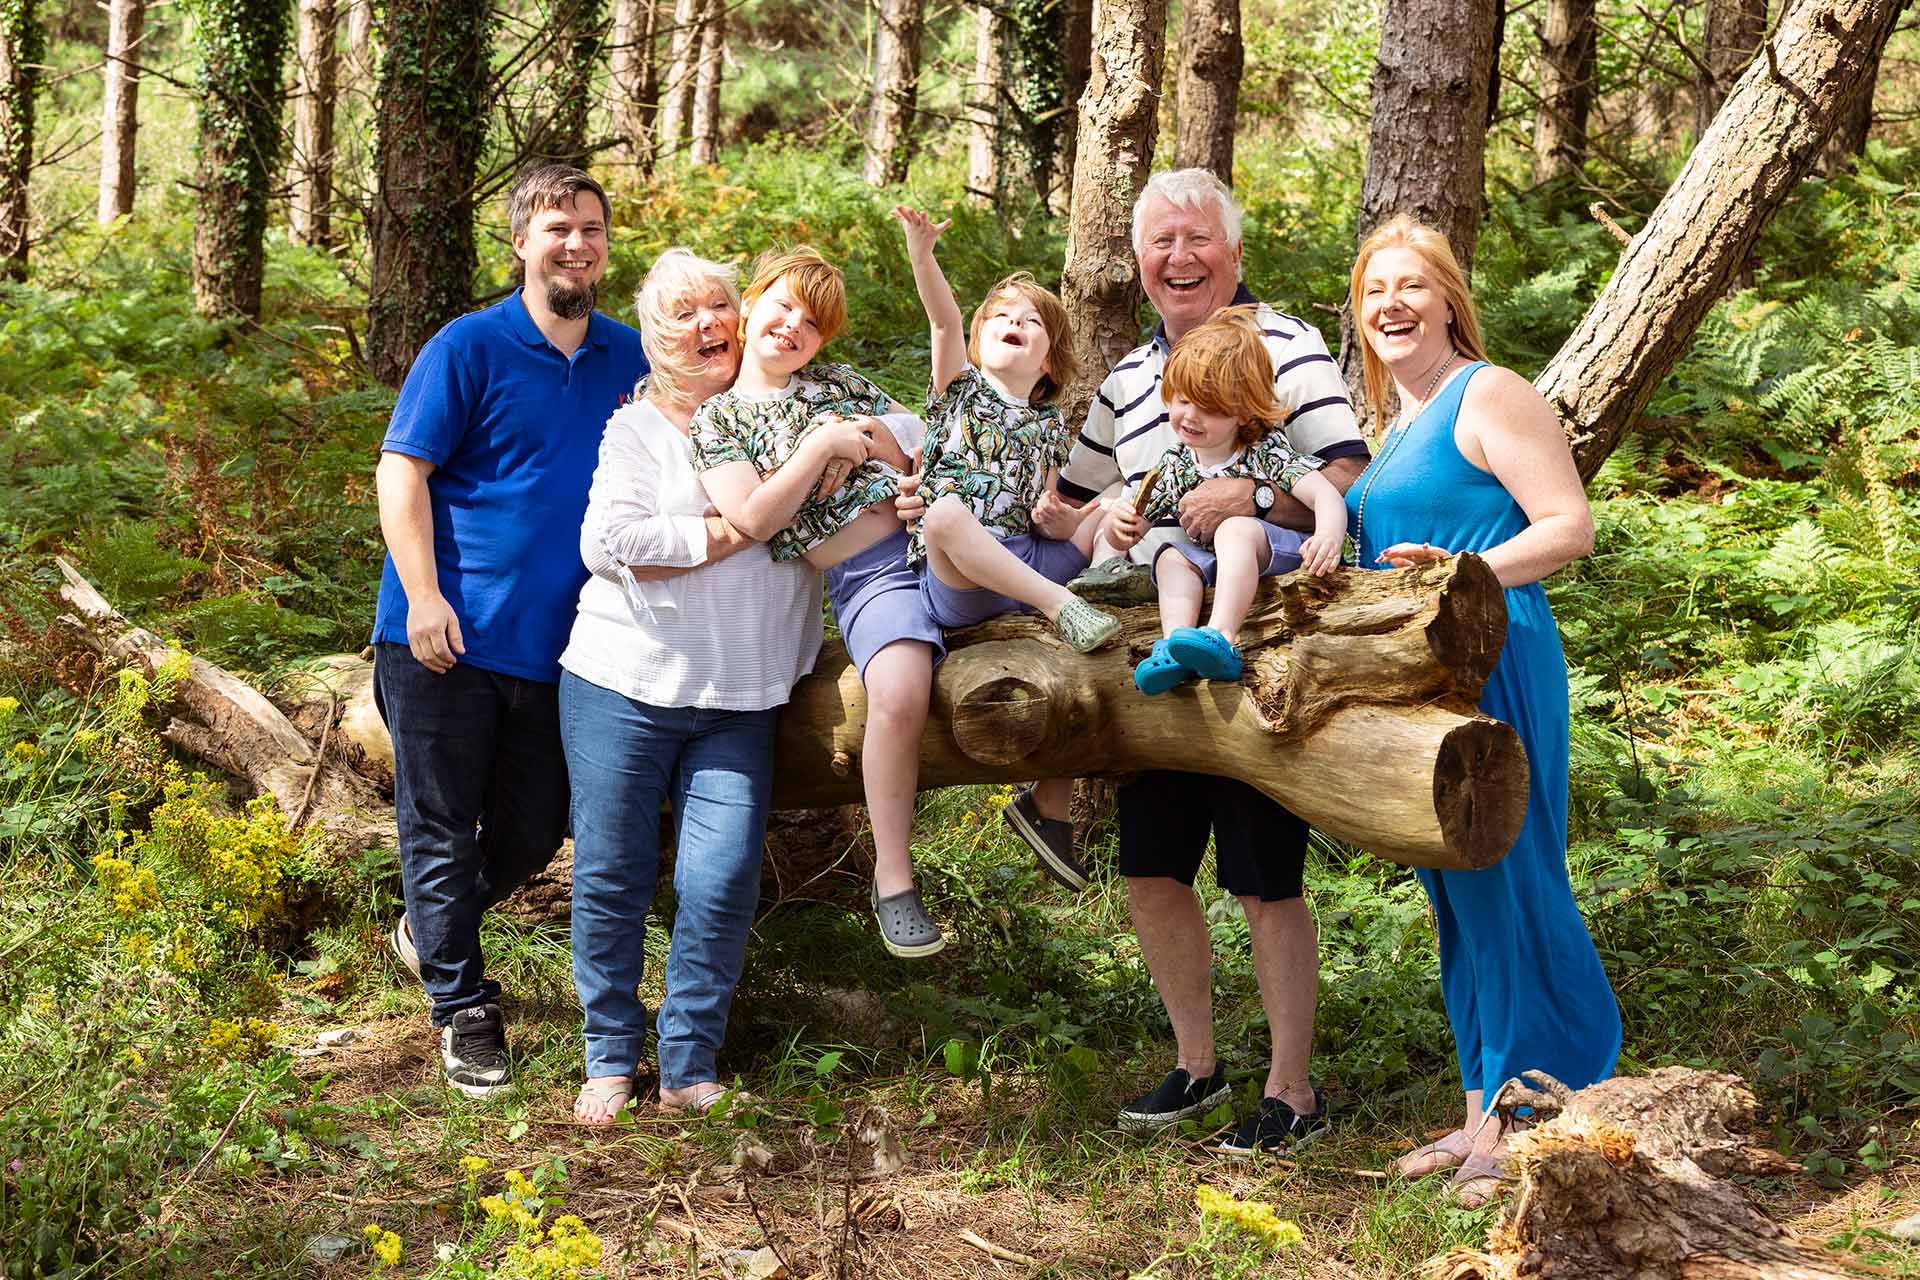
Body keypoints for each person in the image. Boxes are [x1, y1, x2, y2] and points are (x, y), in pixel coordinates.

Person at [1049, 168, 1370, 1154]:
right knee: (1151, 867)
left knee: (1264, 877)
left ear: (1233, 253)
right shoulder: (1124, 382)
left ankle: (1292, 1089)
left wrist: (1254, 504)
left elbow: (1346, 469)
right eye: (1161, 243)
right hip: (1160, 658)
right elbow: (1065, 510)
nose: (1179, 258)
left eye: (1198, 240)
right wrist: (1106, 517)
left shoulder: (1285, 344)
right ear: (1139, 261)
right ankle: (1195, 1064)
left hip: (1262, 654)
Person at [1345, 214, 1620, 1200]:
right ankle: (1479, 1116)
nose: (1392, 304)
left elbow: (1568, 526)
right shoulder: (1397, 424)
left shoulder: (1488, 392)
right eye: (1376, 290)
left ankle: (1541, 1101)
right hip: (1426, 680)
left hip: (1500, 657)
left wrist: (1467, 573)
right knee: (1455, 890)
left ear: (1450, 297)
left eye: (1412, 285)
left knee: (1512, 874)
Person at [371, 165, 647, 1097]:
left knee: (535, 829)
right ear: (521, 242)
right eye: (557, 228)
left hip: (568, 648)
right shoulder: (469, 347)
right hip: (444, 636)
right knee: (441, 824)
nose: (577, 244)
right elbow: (402, 473)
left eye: (593, 229)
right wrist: (422, 597)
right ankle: (462, 1008)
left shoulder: (631, 357)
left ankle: (424, 927)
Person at [559, 249, 824, 1123]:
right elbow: (611, 545)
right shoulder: (638, 431)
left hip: (740, 698)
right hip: (620, 686)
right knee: (612, 874)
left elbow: (906, 437)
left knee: (719, 883)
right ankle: (607, 1055)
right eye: (683, 316)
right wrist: (745, 525)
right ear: (654, 340)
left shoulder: (797, 417)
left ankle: (685, 1065)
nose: (709, 325)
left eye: (720, 306)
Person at [690, 248, 956, 960]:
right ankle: (894, 879)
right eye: (781, 306)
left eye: (812, 322)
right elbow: (752, 516)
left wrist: (864, 439)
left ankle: (1049, 806)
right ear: (748, 305)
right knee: (899, 693)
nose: (792, 326)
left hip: (941, 544)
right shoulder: (719, 418)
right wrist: (822, 448)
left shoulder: (834, 381)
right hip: (874, 576)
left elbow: (921, 438)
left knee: (1057, 626)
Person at [894, 205, 1117, 892]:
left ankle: (1103, 591)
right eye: (1000, 317)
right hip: (963, 575)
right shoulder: (958, 388)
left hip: (1024, 559)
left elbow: (1049, 511)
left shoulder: (1050, 426)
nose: (1013, 325)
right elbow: (940, 320)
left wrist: (1061, 520)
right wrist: (923, 254)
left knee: (1112, 501)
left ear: (1049, 358)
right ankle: (1066, 605)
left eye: (1030, 322)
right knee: (946, 513)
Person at [1099, 306, 1348, 695]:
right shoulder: (1176, 464)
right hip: (1221, 561)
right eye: (1182, 400)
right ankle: (1177, 645)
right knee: (1170, 555)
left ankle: (1222, 637)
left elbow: (1325, 493)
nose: (1191, 417)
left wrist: (1329, 536)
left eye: (1210, 408)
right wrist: (1120, 528)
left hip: (1278, 550)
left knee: (1234, 529)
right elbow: (1135, 528)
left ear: (1245, 411)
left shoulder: (1265, 451)